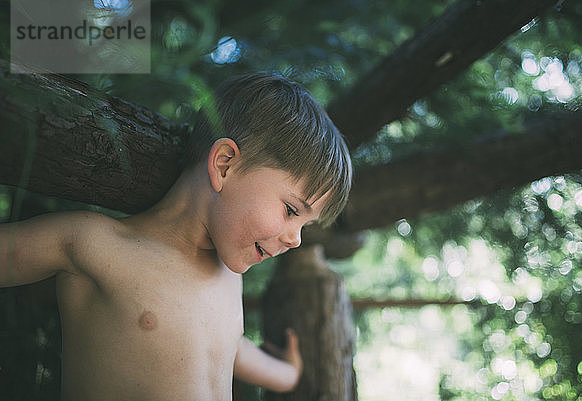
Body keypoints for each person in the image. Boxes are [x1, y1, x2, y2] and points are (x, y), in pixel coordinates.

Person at [0, 72, 353, 401]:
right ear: (225, 164)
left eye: (305, 226)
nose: (296, 240)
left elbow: (229, 347)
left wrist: (287, 375)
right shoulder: (93, 244)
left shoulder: (229, 277)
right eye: (292, 211)